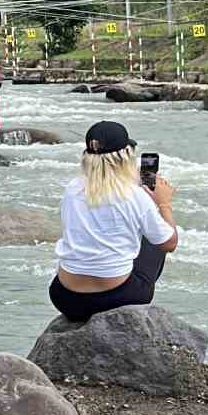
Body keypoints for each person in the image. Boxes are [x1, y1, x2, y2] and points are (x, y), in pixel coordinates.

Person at [49, 120, 179, 321]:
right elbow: (169, 244)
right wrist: (164, 204)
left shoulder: (72, 189)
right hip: (118, 298)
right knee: (156, 239)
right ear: (126, 157)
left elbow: (104, 192)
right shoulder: (135, 196)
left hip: (66, 298)